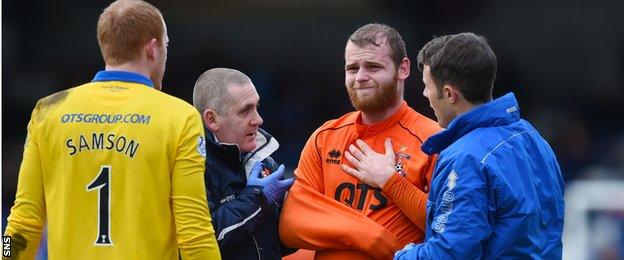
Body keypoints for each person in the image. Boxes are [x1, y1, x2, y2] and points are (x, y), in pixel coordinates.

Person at [3, 0, 220, 259]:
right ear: (152, 48)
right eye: (166, 46)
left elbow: (19, 224)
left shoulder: (47, 111)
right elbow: (195, 231)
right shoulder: (180, 117)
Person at [344, 33, 565, 259]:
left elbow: (448, 253)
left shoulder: (466, 158)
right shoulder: (532, 137)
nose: (425, 94)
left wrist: (400, 255)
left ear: (449, 94)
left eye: (427, 86)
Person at [279, 23, 441, 260]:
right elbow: (292, 222)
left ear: (403, 69)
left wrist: (391, 182)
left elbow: (447, 225)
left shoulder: (433, 139)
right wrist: (370, 237)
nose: (360, 77)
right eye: (352, 68)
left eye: (373, 67)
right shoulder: (325, 137)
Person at [192, 68, 297, 259]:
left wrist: (298, 212)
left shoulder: (266, 162)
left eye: (257, 107)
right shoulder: (192, 166)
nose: (258, 119)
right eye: (245, 110)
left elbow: (282, 244)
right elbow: (204, 239)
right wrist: (257, 199)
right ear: (212, 119)